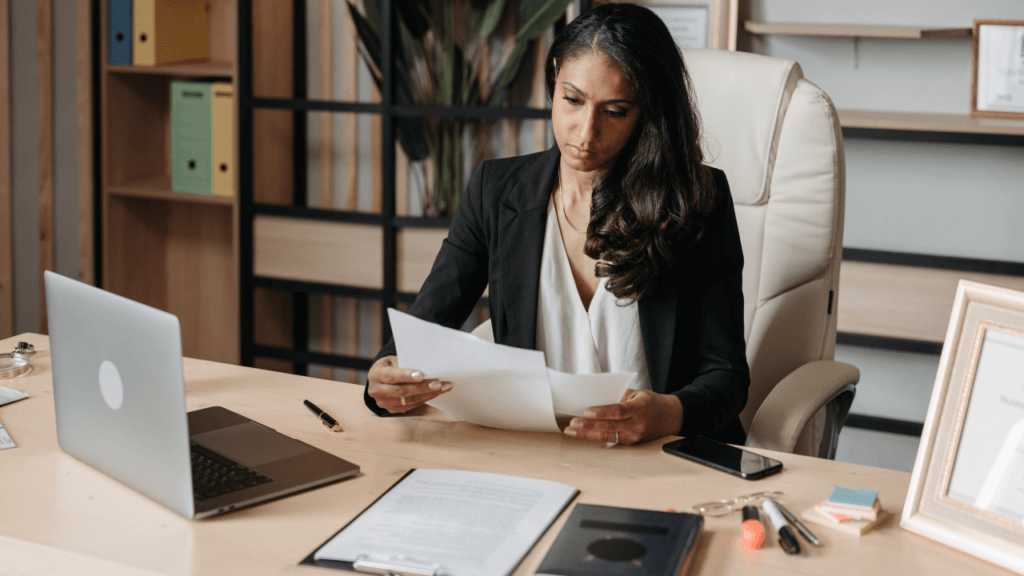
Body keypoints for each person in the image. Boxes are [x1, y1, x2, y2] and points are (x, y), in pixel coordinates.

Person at [364, 2, 749, 446]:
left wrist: (666, 414)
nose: (585, 133)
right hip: (537, 451)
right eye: (572, 100)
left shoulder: (697, 200)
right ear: (553, 80)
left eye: (615, 111)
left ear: (648, 112)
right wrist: (386, 375)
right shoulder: (497, 191)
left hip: (659, 453)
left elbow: (727, 377)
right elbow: (424, 329)